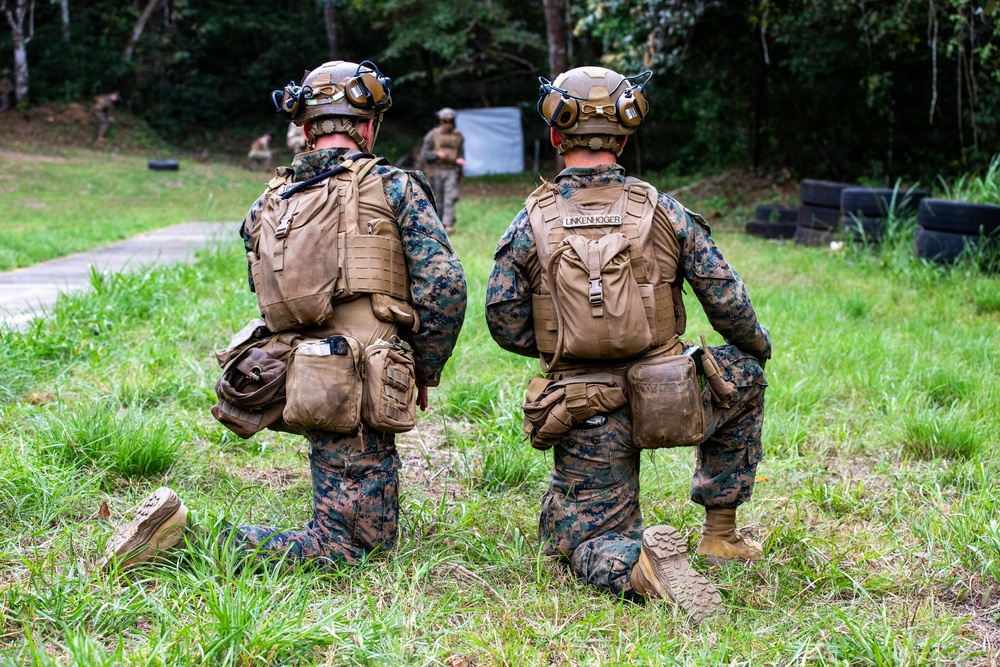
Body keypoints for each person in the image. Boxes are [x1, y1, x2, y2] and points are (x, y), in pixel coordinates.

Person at [102, 60, 467, 572]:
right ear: (367, 126)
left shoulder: (268, 201)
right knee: (355, 551)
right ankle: (185, 536)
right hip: (364, 377)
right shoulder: (395, 187)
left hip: (300, 375)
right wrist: (424, 366)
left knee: (354, 518)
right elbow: (446, 288)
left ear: (305, 127)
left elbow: (266, 289)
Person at [485, 66, 770, 621]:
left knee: (583, 541)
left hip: (585, 408)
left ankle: (642, 567)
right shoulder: (664, 210)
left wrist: (560, 345)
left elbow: (503, 318)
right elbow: (727, 299)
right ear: (626, 136)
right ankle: (720, 534)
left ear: (554, 135)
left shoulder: (531, 219)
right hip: (672, 395)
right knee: (746, 375)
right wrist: (754, 348)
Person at [421, 107, 465, 233]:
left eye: (450, 121)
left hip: (452, 170)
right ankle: (437, 224)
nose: (448, 124)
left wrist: (461, 160)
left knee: (450, 198)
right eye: (445, 121)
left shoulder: (458, 136)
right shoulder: (432, 135)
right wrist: (437, 155)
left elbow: (461, 153)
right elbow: (425, 154)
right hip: (436, 170)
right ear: (441, 121)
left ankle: (448, 224)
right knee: (437, 198)